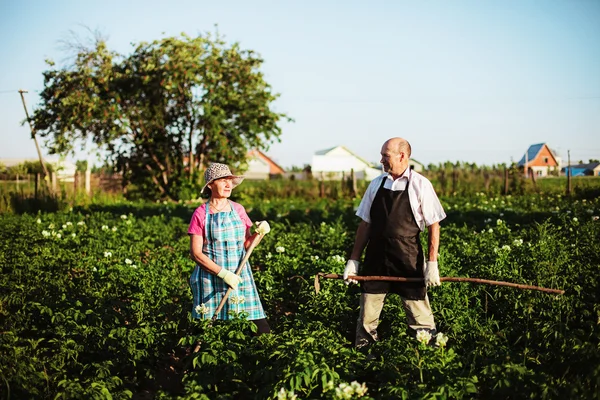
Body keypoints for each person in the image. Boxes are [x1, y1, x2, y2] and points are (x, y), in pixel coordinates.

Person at [344, 137, 446, 348]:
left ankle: (427, 354)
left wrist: (432, 263)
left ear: (402, 156)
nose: (381, 160)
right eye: (382, 155)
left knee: (420, 318)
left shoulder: (420, 184)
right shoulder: (376, 184)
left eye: (385, 155)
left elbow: (433, 225)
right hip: (376, 259)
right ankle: (365, 357)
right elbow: (365, 225)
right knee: (367, 318)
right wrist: (354, 260)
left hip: (407, 260)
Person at [188, 162, 271, 335]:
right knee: (211, 332)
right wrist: (223, 274)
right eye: (222, 180)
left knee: (259, 329)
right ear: (210, 185)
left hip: (239, 276)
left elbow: (247, 245)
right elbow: (195, 253)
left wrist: (260, 233)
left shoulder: (238, 209)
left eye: (230, 180)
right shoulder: (201, 213)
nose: (228, 185)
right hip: (211, 279)